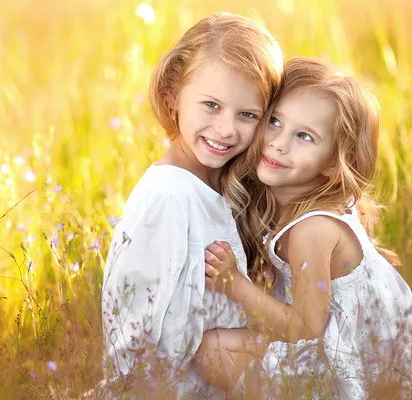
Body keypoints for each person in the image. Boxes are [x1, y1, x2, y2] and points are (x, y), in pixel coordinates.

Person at [195, 57, 412, 399]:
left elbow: (306, 327)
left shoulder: (311, 230)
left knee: (214, 350)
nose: (279, 142)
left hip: (352, 366)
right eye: (274, 121)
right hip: (357, 349)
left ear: (334, 164)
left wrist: (235, 286)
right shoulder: (298, 203)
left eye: (304, 136)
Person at [100, 12, 283, 398]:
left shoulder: (219, 184)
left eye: (247, 115)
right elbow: (134, 332)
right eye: (211, 105)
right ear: (172, 95)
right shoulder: (168, 196)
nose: (226, 129)